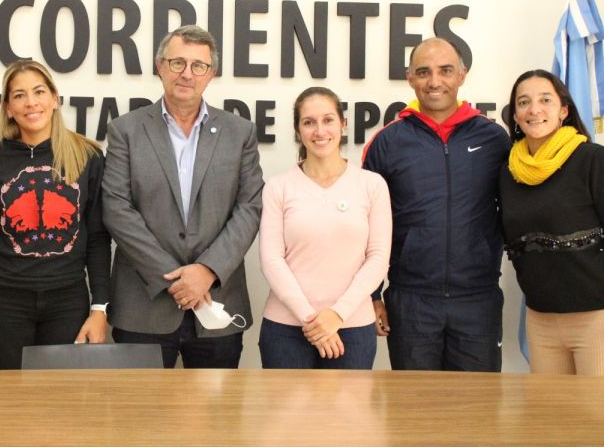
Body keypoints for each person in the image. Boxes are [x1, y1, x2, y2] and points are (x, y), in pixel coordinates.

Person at [102, 24, 263, 368]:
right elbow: (117, 208)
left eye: (198, 65)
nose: (187, 74)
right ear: (160, 66)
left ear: (211, 73)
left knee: (216, 405)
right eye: (177, 63)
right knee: (142, 406)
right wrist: (174, 278)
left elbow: (249, 207)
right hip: (143, 306)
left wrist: (206, 270)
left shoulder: (240, 133)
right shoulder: (125, 130)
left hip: (216, 303)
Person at [362, 37, 510, 371]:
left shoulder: (494, 138)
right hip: (411, 300)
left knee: (477, 400)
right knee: (414, 402)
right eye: (423, 72)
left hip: (477, 299)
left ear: (462, 74)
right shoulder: (387, 142)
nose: (434, 81)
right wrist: (371, 295)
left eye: (445, 70)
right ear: (409, 78)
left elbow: (517, 208)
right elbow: (366, 225)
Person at [0, 60, 111, 370]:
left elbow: (98, 238)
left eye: (39, 92)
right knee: (11, 395)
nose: (31, 102)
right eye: (19, 95)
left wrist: (100, 309)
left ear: (54, 99)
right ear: (8, 107)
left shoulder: (88, 157)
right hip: (2, 301)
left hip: (66, 301)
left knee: (60, 396)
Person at [259, 87, 391, 369]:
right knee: (286, 402)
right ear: (298, 130)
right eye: (309, 122)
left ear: (343, 124)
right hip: (286, 329)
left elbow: (378, 259)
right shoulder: (277, 187)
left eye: (328, 120)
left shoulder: (372, 185)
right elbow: (271, 261)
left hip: (352, 327)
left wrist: (336, 315)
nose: (320, 131)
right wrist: (313, 321)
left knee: (348, 402)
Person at [499, 70, 604, 375]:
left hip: (595, 317)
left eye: (545, 100)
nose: (534, 109)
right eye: (524, 102)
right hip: (540, 318)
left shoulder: (592, 160)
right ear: (515, 116)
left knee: (595, 406)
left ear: (563, 111)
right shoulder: (508, 172)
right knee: (548, 406)